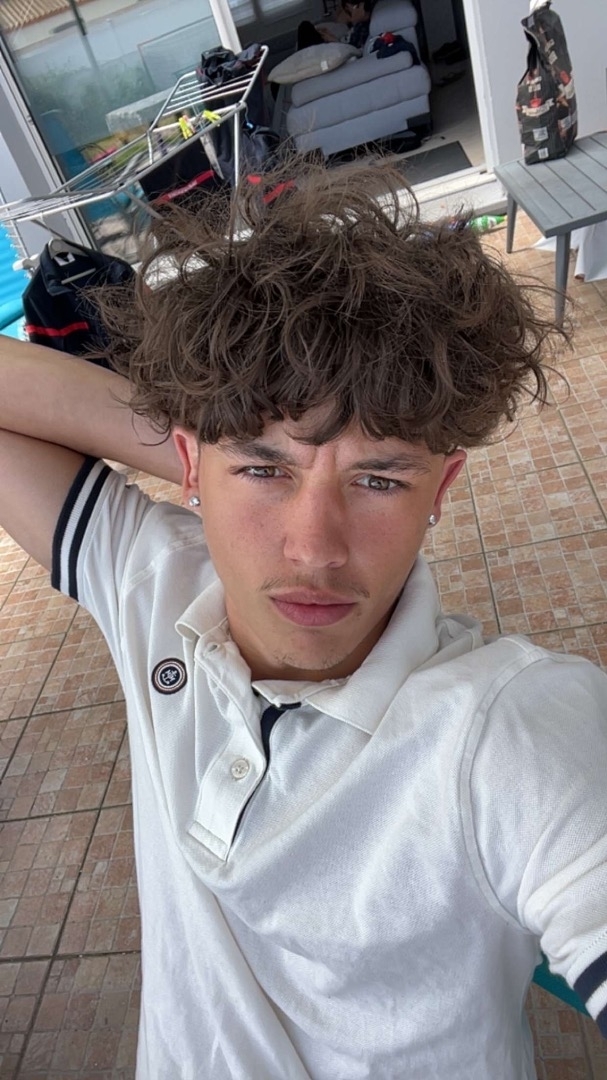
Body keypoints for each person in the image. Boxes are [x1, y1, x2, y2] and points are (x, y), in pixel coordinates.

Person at [0, 161, 606, 1080]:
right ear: (186, 464)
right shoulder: (152, 583)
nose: (314, 549)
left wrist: (250, 448)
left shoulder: (508, 730)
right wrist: (216, 443)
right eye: (264, 472)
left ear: (441, 488)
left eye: (379, 479)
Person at [297, 0, 375, 52]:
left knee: (305, 27)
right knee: (306, 28)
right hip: (336, 45)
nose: (349, 14)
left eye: (349, 10)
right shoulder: (359, 25)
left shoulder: (364, 29)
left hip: (336, 50)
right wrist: (330, 37)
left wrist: (333, 41)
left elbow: (354, 51)